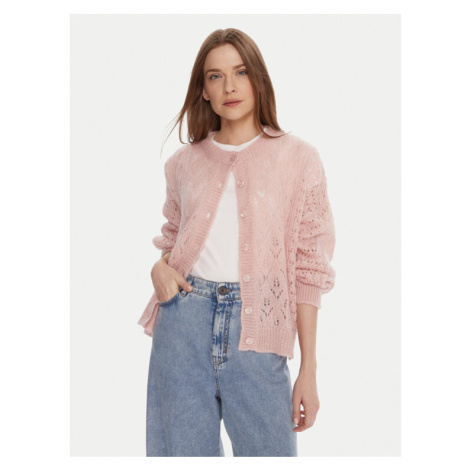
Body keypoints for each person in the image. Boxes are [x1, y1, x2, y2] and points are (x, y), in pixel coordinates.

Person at [137, 28, 336, 457]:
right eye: (215, 76)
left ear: (258, 79)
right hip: (182, 324)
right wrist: (159, 267)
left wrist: (308, 369)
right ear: (203, 90)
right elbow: (173, 238)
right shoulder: (183, 163)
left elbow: (309, 268)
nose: (229, 86)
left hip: (259, 329)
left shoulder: (299, 159)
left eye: (240, 72)